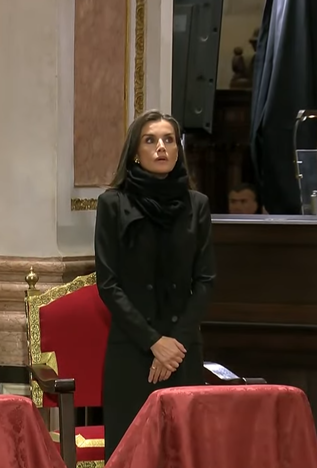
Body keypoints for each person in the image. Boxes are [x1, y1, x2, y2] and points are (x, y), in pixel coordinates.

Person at [94, 110, 215, 460]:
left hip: (183, 351)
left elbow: (205, 280)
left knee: (181, 453)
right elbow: (108, 283)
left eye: (168, 140)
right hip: (132, 350)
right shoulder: (113, 204)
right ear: (135, 151)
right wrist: (153, 342)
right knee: (133, 455)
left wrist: (174, 343)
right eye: (150, 140)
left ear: (178, 150)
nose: (161, 147)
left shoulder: (198, 205)